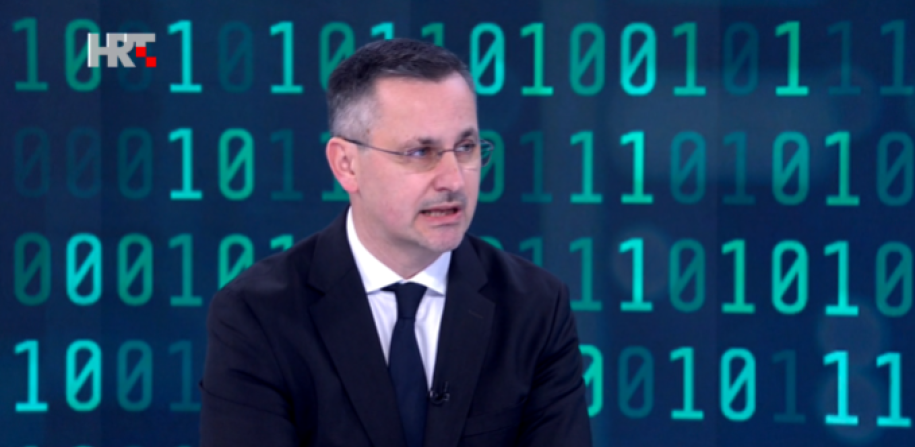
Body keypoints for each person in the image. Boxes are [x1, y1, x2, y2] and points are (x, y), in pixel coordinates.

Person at [198, 37, 593, 447]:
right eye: (420, 152)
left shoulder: (536, 308)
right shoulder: (258, 316)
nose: (454, 180)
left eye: (466, 148)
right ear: (346, 164)